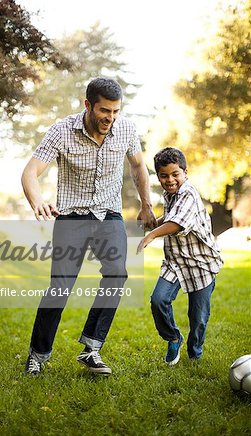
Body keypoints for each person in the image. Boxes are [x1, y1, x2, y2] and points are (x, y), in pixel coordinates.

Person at [22, 77, 156, 376]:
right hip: (71, 216)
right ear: (88, 105)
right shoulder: (62, 131)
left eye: (115, 111)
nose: (110, 118)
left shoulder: (126, 129)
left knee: (117, 274)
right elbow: (31, 172)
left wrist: (146, 203)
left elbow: (137, 166)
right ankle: (38, 354)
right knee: (60, 288)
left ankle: (91, 349)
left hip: (108, 214)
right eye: (104, 111)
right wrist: (38, 202)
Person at [137, 147, 223, 365]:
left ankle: (195, 354)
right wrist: (152, 224)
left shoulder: (189, 193)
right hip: (175, 262)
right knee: (158, 300)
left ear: (186, 172)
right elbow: (170, 216)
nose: (170, 180)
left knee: (198, 317)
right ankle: (173, 337)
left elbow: (177, 223)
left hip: (200, 263)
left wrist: (152, 236)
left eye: (175, 174)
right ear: (158, 176)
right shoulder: (170, 195)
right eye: (164, 175)